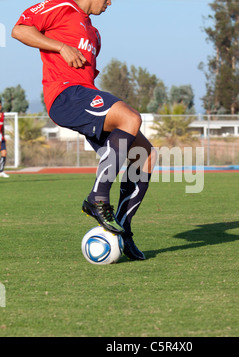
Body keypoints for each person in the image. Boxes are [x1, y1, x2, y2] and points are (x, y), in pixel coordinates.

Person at [12, 0, 156, 260]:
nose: (110, 2)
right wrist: (61, 46)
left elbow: (87, 77)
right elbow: (20, 29)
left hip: (84, 95)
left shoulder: (94, 33)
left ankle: (123, 232)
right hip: (65, 95)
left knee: (145, 154)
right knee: (131, 118)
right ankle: (98, 197)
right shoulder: (61, 6)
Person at [0, 100, 9, 178]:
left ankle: (1, 171)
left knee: (4, 153)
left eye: (0, 105)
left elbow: (2, 127)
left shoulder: (2, 115)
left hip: (1, 137)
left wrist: (4, 136)